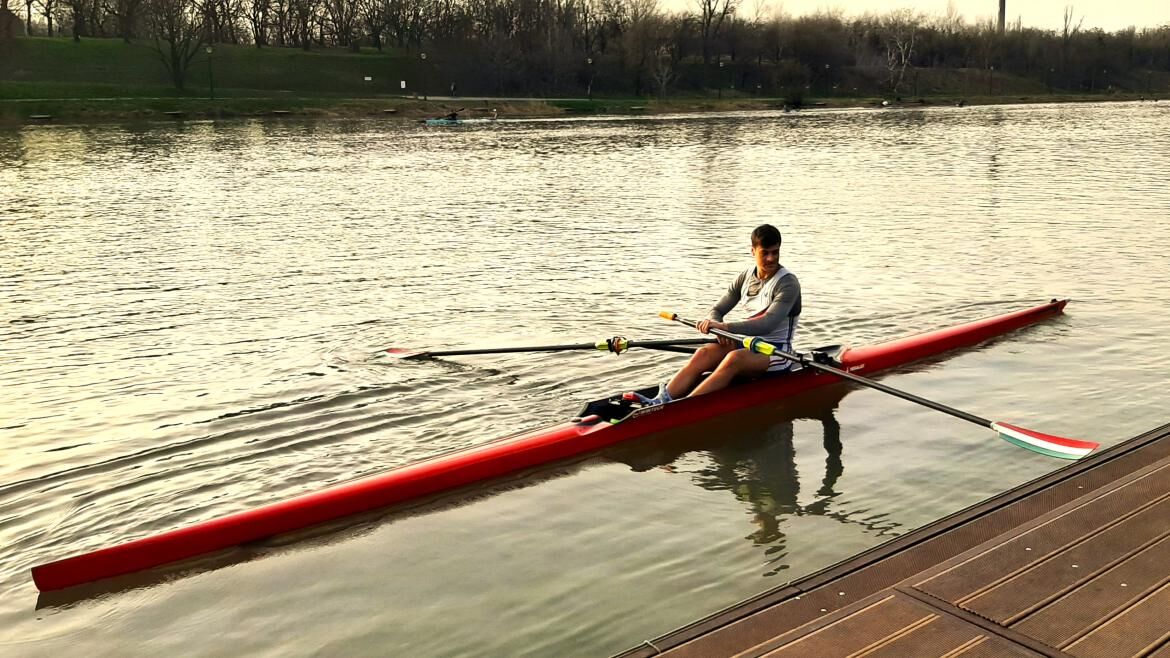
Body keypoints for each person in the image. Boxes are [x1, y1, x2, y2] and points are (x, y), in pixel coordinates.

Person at [631, 224, 801, 406]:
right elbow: (717, 310)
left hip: (778, 352)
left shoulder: (788, 284)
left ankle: (684, 408)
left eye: (775, 252)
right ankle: (660, 401)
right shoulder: (745, 277)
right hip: (749, 344)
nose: (771, 258)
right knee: (702, 353)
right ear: (752, 251)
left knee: (733, 359)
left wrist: (725, 327)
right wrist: (715, 324)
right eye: (765, 253)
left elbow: (768, 323)